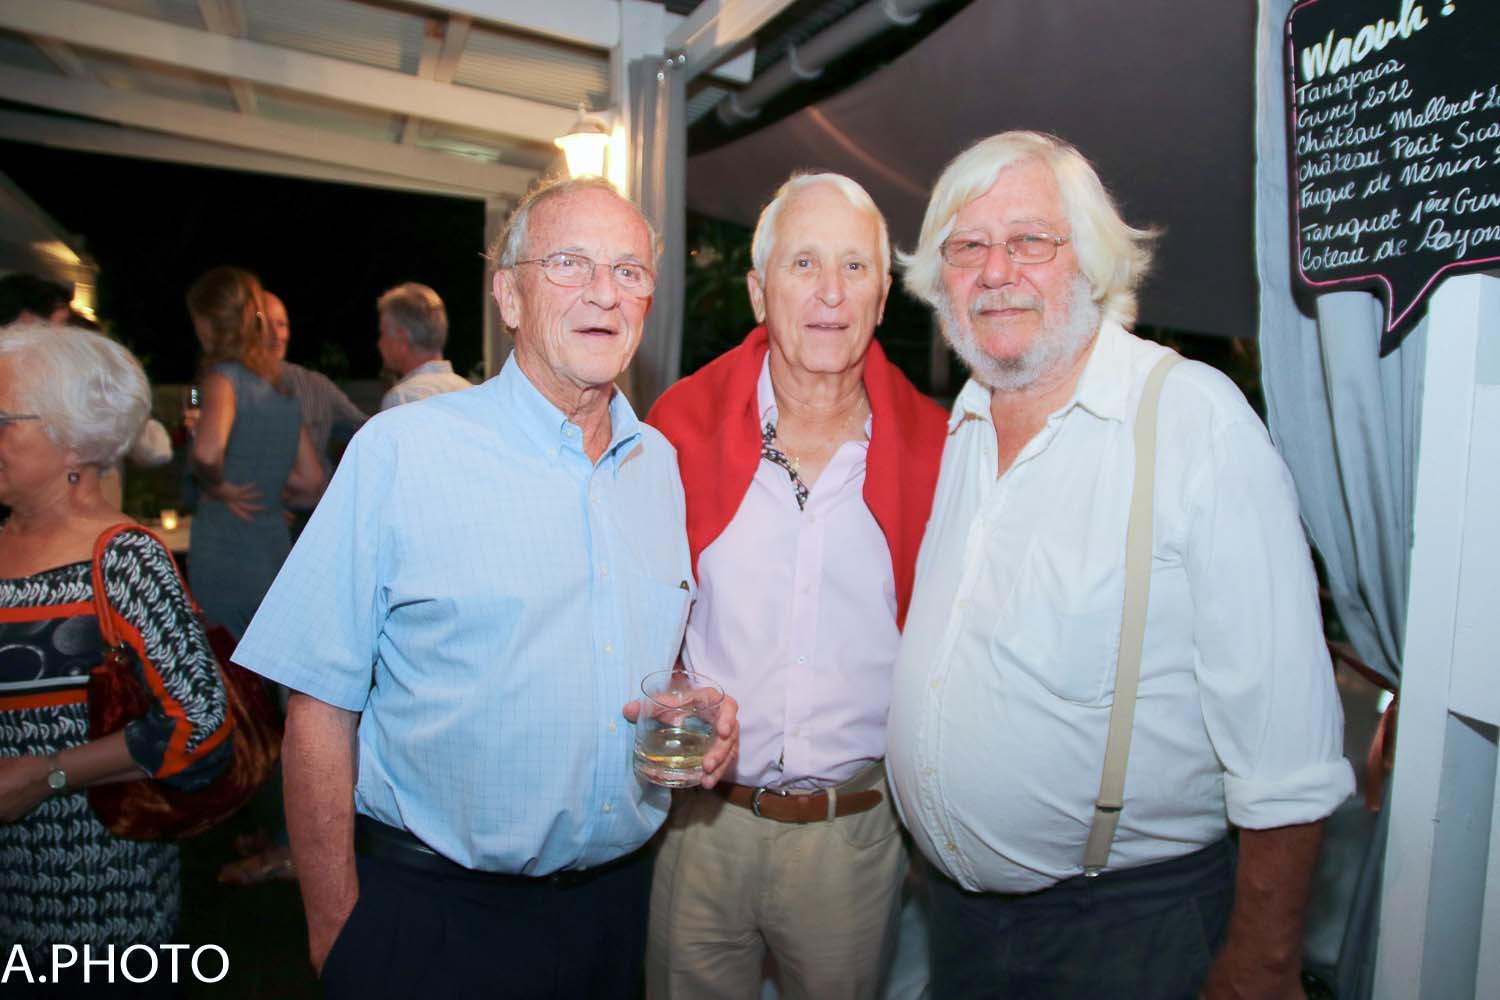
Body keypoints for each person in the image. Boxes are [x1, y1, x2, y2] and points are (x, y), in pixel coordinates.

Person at [231, 176, 740, 997]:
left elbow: (627, 650)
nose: (604, 292)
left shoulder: (660, 467)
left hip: (615, 910)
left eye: (629, 271)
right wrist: (335, 930)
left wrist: (688, 700)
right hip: (436, 915)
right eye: (569, 263)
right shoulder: (403, 452)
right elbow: (317, 704)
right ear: (508, 295)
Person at [885, 130, 1355, 1000]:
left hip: (1128, 931)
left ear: (1094, 260)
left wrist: (1261, 963)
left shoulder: (1191, 420)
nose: (996, 272)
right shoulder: (966, 427)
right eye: (967, 247)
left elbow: (1288, 752)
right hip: (959, 922)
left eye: (1031, 240)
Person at [645, 173, 946, 1000]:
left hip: (850, 841)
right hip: (701, 830)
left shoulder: (940, 451)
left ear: (882, 297)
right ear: (758, 290)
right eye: (803, 263)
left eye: (854, 267)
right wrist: (672, 684)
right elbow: (633, 612)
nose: (829, 293)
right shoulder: (677, 428)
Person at [0, 321, 231, 982]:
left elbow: (199, 728)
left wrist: (44, 775)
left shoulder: (123, 558)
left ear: (72, 435)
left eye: (3, 421)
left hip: (98, 908)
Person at [185, 266, 323, 638]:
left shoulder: (222, 379)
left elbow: (208, 454)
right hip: (275, 549)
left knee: (225, 661)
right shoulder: (281, 385)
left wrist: (218, 486)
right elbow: (311, 481)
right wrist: (269, 485)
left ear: (206, 321)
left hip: (226, 550)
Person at [266, 291, 368, 480]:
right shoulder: (226, 387)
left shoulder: (316, 386)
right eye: (264, 324)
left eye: (281, 324)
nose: (275, 334)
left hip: (314, 498)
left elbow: (367, 432)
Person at [374, 282, 470, 410]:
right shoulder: (469, 391)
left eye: (383, 333)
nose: (380, 344)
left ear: (401, 341)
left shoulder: (401, 398)